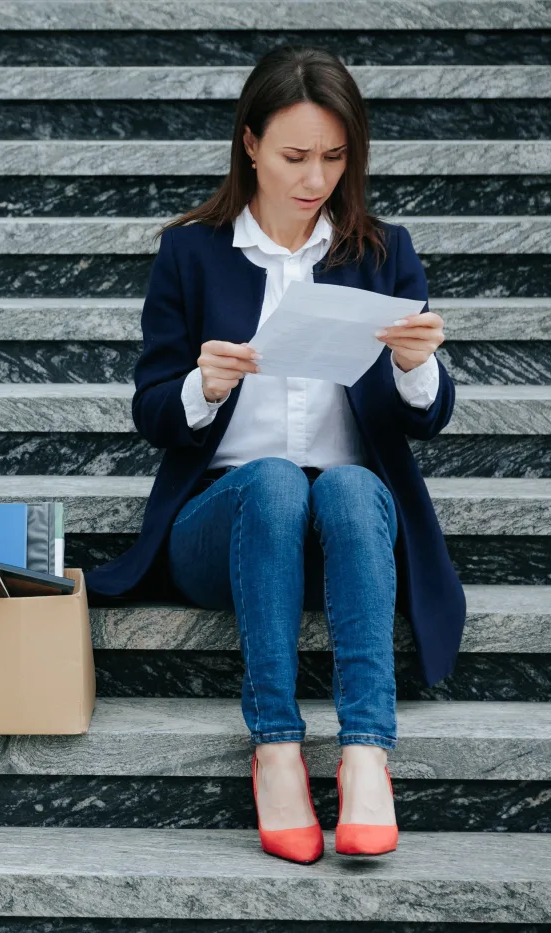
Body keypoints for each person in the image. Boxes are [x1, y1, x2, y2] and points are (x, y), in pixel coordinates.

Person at [84, 45, 466, 863]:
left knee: (353, 488)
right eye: (295, 155)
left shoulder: (381, 251)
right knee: (273, 481)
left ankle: (368, 752)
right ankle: (277, 746)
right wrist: (204, 386)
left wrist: (414, 364)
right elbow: (153, 411)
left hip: (345, 534)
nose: (314, 177)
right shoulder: (192, 252)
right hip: (224, 525)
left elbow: (429, 415)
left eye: (334, 157)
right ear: (251, 144)